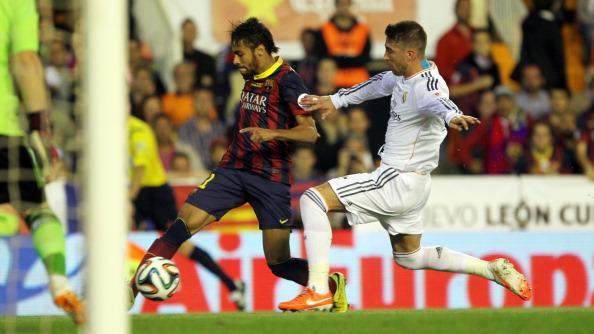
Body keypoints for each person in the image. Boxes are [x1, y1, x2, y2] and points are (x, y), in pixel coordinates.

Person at [279, 21, 532, 312]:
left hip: (395, 180)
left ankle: (318, 289)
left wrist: (453, 117)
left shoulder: (426, 86)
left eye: (390, 50)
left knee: (312, 201)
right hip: (415, 185)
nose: (385, 55)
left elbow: (440, 101)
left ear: (410, 54)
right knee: (409, 257)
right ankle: (490, 269)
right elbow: (380, 82)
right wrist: (336, 99)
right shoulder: (407, 73)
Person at [128, 17, 348, 312]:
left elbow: (310, 132)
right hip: (233, 169)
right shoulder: (251, 73)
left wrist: (273, 133)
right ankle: (130, 291)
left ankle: (330, 285)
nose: (235, 59)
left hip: (271, 177)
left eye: (239, 53)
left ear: (259, 50)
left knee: (278, 262)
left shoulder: (288, 80)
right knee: (179, 227)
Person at [0, 0, 84, 323]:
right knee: (36, 208)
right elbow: (25, 59)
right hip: (3, 129)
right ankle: (60, 284)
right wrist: (39, 129)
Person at [127, 112, 246, 310]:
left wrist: (129, 198)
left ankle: (232, 284)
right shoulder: (111, 129)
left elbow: (140, 167)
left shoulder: (136, 129)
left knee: (180, 244)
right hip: (137, 190)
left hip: (154, 193)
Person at [318, 0, 371, 88]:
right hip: (333, 84)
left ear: (350, 5)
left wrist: (340, 58)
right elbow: (322, 56)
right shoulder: (325, 29)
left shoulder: (362, 29)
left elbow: (366, 56)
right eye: (341, 4)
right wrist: (351, 59)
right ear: (336, 6)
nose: (343, 8)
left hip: (359, 82)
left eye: (346, 4)